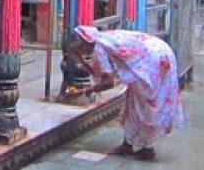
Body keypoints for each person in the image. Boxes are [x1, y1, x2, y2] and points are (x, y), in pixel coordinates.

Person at [65, 26, 185, 161]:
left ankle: (147, 149)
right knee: (132, 102)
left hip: (154, 59)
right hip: (156, 53)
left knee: (147, 104)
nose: (81, 53)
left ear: (85, 43)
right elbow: (103, 74)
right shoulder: (102, 40)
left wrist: (84, 91)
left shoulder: (99, 48)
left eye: (79, 49)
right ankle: (127, 145)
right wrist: (82, 61)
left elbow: (108, 82)